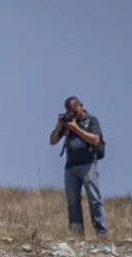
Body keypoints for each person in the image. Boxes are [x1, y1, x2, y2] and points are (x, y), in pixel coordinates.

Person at [49, 96, 107, 239]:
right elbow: (52, 141)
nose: (73, 114)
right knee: (72, 202)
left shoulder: (91, 120)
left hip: (88, 164)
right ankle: (77, 235)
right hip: (71, 166)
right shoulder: (67, 123)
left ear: (81, 106)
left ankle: (101, 233)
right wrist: (60, 125)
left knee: (94, 199)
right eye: (70, 111)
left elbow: (95, 139)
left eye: (74, 111)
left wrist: (76, 128)